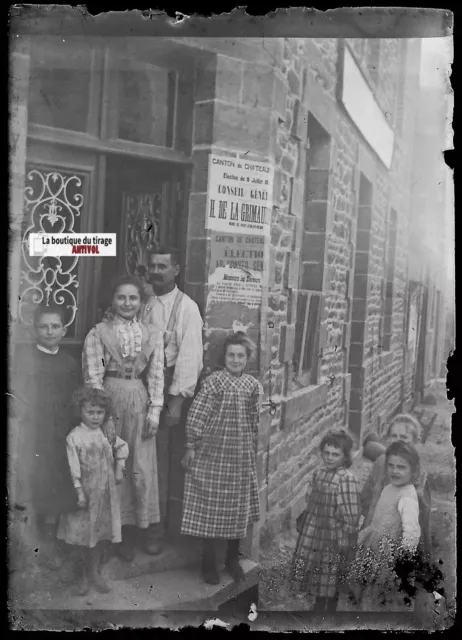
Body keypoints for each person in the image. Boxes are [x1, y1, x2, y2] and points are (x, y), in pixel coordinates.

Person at [82, 275, 164, 561]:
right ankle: (114, 536)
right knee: (114, 464)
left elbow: (156, 375)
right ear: (113, 300)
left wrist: (154, 412)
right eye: (121, 297)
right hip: (111, 402)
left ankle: (139, 529)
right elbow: (93, 378)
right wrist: (101, 415)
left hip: (140, 403)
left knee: (139, 466)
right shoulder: (99, 333)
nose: (127, 303)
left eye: (133, 298)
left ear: (141, 302)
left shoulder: (151, 333)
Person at [180, 332, 262, 585]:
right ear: (224, 356)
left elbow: (253, 421)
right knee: (210, 506)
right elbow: (197, 415)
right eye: (231, 355)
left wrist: (250, 449)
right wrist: (191, 445)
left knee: (236, 508)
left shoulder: (252, 386)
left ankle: (231, 559)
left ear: (247, 358)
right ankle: (208, 561)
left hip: (239, 455)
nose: (235, 360)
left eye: (241, 356)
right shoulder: (214, 382)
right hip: (212, 452)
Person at [140, 247, 203, 549]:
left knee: (159, 462)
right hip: (135, 386)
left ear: (176, 270)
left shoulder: (186, 307)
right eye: (153, 265)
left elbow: (190, 358)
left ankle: (155, 532)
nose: (157, 271)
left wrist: (176, 403)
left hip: (165, 392)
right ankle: (129, 528)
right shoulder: (141, 302)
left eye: (163, 266)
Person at [11, 303, 80, 566]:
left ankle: (53, 540)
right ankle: (32, 541)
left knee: (57, 478)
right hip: (34, 431)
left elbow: (74, 400)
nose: (49, 331)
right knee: (34, 479)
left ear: (63, 330)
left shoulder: (69, 361)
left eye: (55, 326)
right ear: (34, 329)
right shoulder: (26, 359)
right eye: (43, 326)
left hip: (60, 431)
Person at [57, 387, 129, 595]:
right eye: (90, 412)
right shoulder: (75, 437)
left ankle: (95, 572)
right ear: (80, 411)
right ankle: (83, 575)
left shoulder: (105, 433)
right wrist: (79, 491)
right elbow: (73, 469)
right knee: (82, 535)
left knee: (98, 535)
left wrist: (118, 469)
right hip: (86, 496)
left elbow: (122, 447)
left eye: (100, 413)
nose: (96, 417)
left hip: (104, 495)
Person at [290, 430, 360, 613]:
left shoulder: (347, 479)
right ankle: (318, 605)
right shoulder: (318, 474)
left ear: (345, 457)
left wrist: (344, 536)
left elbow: (351, 514)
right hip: (314, 530)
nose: (329, 458)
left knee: (332, 572)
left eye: (335, 454)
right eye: (326, 453)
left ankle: (330, 609)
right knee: (317, 570)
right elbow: (311, 499)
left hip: (333, 534)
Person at [349, 441, 422, 610]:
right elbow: (378, 518)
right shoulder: (389, 488)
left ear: (413, 470)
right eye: (391, 465)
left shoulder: (407, 496)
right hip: (372, 546)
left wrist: (402, 561)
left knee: (382, 596)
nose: (395, 471)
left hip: (389, 556)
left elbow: (412, 532)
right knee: (364, 587)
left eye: (402, 467)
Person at [360, 414, 432, 555]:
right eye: (394, 436)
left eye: (404, 437)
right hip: (376, 527)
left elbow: (422, 512)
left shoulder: (417, 469)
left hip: (402, 532)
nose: (398, 441)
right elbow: (366, 496)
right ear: (387, 439)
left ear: (415, 441)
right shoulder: (381, 462)